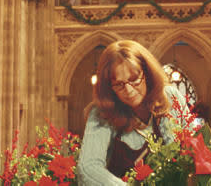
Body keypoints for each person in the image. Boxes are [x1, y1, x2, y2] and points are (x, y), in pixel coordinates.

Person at [77, 40, 192, 185]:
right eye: (119, 84)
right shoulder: (101, 113)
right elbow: (88, 168)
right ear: (109, 87)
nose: (129, 91)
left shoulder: (170, 97)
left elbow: (196, 148)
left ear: (147, 73)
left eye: (134, 79)